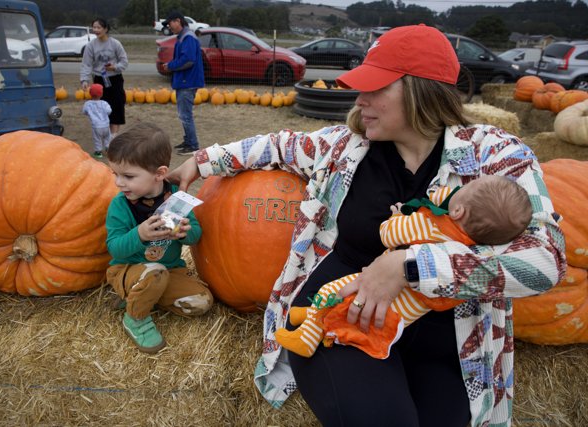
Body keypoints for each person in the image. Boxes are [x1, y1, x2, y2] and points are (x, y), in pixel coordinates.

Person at [167, 24, 565, 426]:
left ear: (419, 91)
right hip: (339, 318)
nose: (360, 100)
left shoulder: (495, 155)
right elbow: (277, 145)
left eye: (375, 88)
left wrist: (408, 267)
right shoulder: (344, 148)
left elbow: (545, 261)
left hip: (449, 340)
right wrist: (201, 161)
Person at [276, 175, 533, 359]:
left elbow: (388, 235)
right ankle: (312, 315)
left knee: (332, 292)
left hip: (385, 294)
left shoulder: (431, 226)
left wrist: (397, 217)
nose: (462, 185)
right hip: (406, 312)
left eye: (469, 186)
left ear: (457, 211)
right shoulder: (467, 251)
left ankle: (306, 340)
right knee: (341, 305)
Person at [105, 123, 213, 353]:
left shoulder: (176, 198)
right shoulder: (120, 205)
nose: (118, 182)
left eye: (128, 176)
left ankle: (142, 297)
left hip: (170, 270)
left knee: (202, 302)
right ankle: (134, 317)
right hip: (128, 269)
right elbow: (115, 249)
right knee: (154, 273)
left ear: (160, 173)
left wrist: (185, 232)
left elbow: (195, 234)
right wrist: (140, 234)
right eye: (115, 174)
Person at [159, 11, 204, 156]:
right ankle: (188, 141)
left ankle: (193, 145)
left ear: (178, 21)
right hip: (184, 81)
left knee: (185, 115)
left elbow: (188, 60)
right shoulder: (183, 37)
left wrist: (170, 66)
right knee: (183, 114)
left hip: (187, 81)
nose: (169, 27)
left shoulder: (188, 38)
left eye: (170, 23)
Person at [80, 18, 128, 136]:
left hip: (115, 79)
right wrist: (84, 80)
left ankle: (113, 137)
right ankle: (104, 135)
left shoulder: (115, 44)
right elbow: (86, 64)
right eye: (94, 27)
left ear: (106, 29)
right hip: (99, 80)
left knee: (116, 107)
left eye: (99, 27)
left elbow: (124, 62)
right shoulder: (91, 46)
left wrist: (114, 67)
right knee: (101, 109)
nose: (96, 30)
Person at [82, 83, 112, 158]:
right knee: (107, 137)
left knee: (97, 139)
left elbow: (84, 112)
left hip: (96, 126)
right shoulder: (104, 103)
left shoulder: (88, 104)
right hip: (105, 125)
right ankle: (108, 148)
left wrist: (90, 113)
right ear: (101, 94)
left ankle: (98, 152)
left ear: (90, 94)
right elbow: (109, 111)